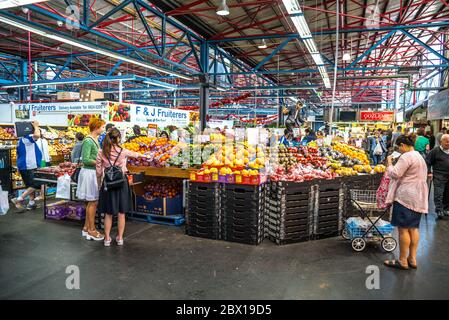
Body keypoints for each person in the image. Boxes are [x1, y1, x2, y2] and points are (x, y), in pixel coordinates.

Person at [96, 128, 148, 247]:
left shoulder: (101, 152)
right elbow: (136, 154)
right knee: (121, 212)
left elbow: (98, 172)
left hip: (108, 183)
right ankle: (119, 238)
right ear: (118, 138)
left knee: (108, 213)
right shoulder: (123, 151)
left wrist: (100, 184)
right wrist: (145, 155)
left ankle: (107, 238)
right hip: (121, 182)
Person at [384, 135, 428, 270]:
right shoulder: (419, 156)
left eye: (399, 147)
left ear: (403, 145)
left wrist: (390, 163)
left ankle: (402, 260)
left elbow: (395, 173)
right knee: (413, 228)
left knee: (403, 230)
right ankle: (412, 259)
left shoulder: (406, 156)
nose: (399, 150)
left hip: (406, 196)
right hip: (418, 196)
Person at [77, 118, 106, 241]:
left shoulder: (94, 140)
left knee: (91, 201)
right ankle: (92, 230)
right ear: (96, 127)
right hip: (89, 173)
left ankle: (86, 228)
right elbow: (86, 160)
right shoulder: (88, 141)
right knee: (93, 201)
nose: (104, 129)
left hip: (92, 173)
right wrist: (101, 162)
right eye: (103, 127)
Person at [11, 121, 42, 211]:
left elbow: (18, 155)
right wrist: (36, 126)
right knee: (36, 184)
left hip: (23, 165)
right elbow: (37, 136)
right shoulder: (27, 138)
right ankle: (19, 199)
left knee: (29, 185)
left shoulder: (21, 140)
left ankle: (31, 203)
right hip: (30, 165)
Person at [426, 134, 449, 220]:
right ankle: (439, 210)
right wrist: (429, 172)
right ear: (441, 142)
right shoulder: (435, 151)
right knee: (439, 194)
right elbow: (427, 162)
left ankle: (446, 209)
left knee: (447, 193)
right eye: (446, 141)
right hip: (439, 175)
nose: (448, 143)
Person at [36, 129, 52, 202]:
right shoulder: (45, 140)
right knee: (45, 177)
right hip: (47, 160)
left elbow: (39, 152)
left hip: (42, 161)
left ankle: (42, 195)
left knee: (42, 177)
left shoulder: (38, 141)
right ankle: (44, 193)